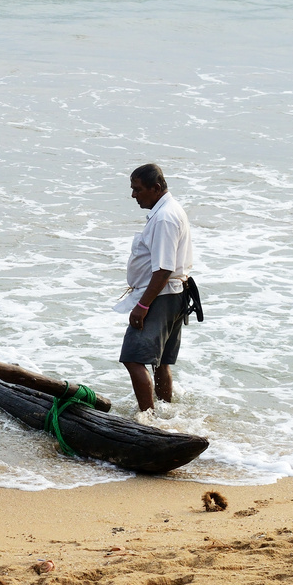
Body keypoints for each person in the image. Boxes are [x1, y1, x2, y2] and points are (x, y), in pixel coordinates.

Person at [119, 163, 195, 413]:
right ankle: (164, 413)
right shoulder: (169, 211)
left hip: (161, 296)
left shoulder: (164, 218)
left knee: (133, 358)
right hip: (174, 294)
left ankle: (148, 419)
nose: (133, 195)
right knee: (160, 362)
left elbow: (163, 269)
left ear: (157, 187)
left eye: (138, 189)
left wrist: (142, 306)